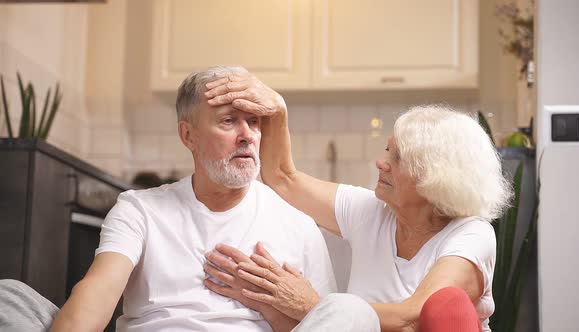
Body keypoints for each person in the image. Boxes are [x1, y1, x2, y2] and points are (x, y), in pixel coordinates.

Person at [0, 66, 344, 332]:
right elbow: (98, 294)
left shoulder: (297, 223)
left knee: (349, 313)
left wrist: (270, 305)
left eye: (254, 122)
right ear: (188, 135)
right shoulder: (140, 209)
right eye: (229, 121)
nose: (247, 136)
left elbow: (328, 324)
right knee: (9, 298)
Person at [202, 71, 511, 332]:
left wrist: (312, 305)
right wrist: (278, 111)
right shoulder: (369, 211)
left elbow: (414, 314)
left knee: (429, 304)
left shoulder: (471, 234)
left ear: (437, 178)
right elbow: (283, 178)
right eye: (387, 150)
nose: (381, 162)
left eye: (397, 157)